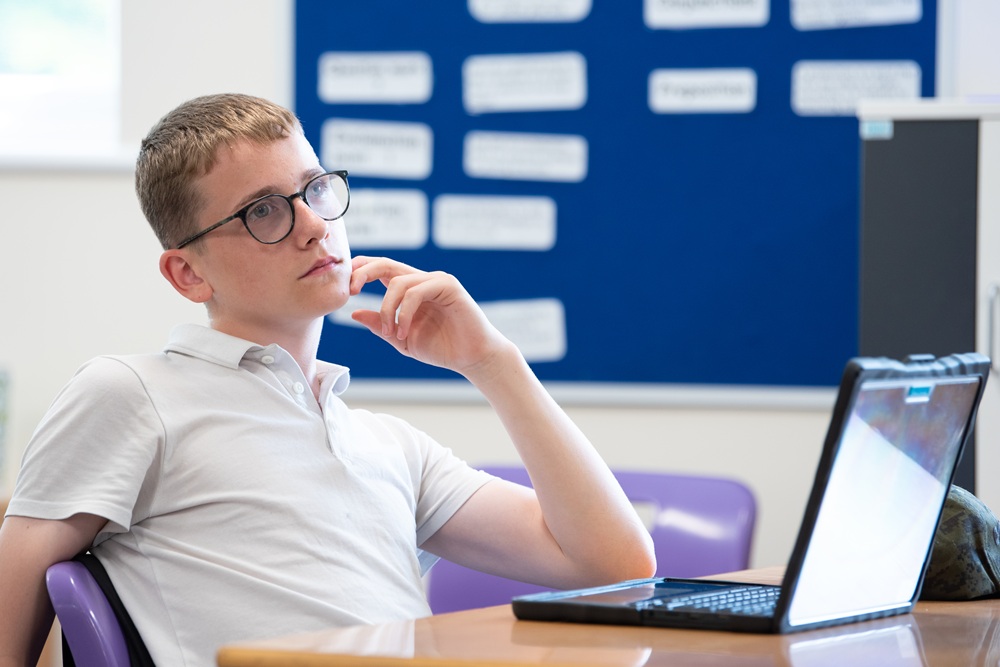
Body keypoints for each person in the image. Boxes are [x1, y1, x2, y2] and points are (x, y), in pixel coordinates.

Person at [0, 93, 655, 667]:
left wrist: (493, 362)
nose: (315, 224)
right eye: (262, 212)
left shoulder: (387, 444)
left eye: (315, 189)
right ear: (188, 275)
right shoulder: (132, 392)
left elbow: (615, 565)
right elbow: (12, 611)